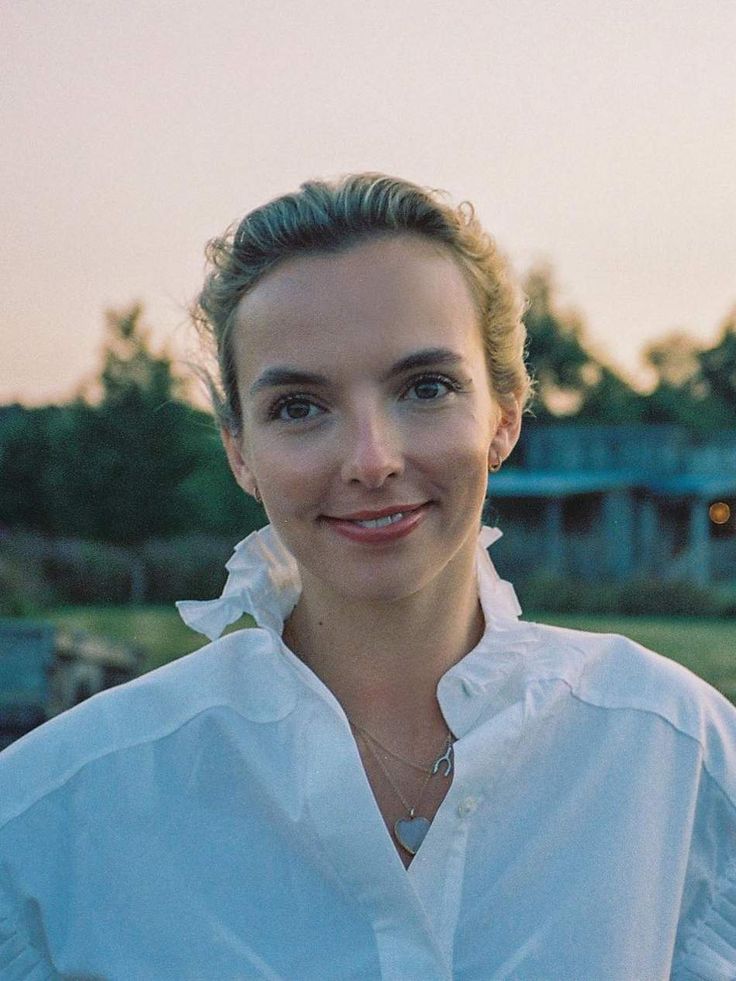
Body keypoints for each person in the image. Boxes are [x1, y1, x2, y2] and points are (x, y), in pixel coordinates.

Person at [1, 173, 735, 980]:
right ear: (239, 450)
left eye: (426, 387)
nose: (372, 460)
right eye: (299, 406)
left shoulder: (678, 757)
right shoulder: (52, 820)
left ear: (505, 412)